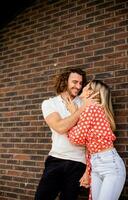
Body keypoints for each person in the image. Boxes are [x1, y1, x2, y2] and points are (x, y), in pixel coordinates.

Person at [35, 68, 95, 200]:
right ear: (65, 81)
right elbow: (60, 127)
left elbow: (92, 134)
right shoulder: (50, 103)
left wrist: (87, 170)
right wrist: (81, 110)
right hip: (56, 159)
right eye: (74, 82)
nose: (78, 86)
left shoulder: (84, 101)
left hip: (78, 163)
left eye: (80, 83)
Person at [67, 79, 126, 200]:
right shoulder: (93, 110)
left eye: (85, 87)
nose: (82, 88)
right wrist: (87, 172)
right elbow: (90, 146)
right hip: (98, 163)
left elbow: (76, 138)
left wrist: (74, 113)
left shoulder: (92, 109)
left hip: (110, 166)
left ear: (90, 92)